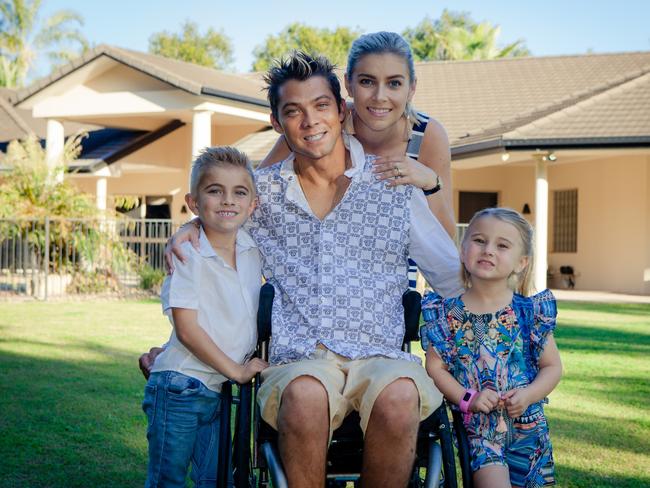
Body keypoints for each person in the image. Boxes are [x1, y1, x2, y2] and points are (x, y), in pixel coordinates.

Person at [164, 51, 463, 487]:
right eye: (294, 111)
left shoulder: (393, 185)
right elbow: (214, 243)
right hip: (299, 357)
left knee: (401, 395)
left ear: (341, 111)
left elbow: (451, 277)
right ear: (276, 123)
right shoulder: (259, 193)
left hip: (379, 354)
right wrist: (192, 225)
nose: (310, 121)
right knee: (305, 394)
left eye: (321, 106)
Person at [142, 146, 268, 487]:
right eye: (215, 191)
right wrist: (239, 371)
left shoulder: (252, 249)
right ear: (194, 203)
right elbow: (187, 329)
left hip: (217, 391)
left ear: (252, 205)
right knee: (166, 480)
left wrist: (234, 375)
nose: (228, 201)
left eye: (239, 193)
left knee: (215, 480)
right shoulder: (188, 254)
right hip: (181, 387)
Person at [260, 31, 455, 238]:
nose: (380, 97)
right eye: (367, 82)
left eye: (394, 83)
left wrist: (431, 184)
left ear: (412, 88)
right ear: (348, 84)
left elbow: (446, 238)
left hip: (402, 263)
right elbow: (254, 189)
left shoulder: (426, 135)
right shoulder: (326, 125)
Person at [421, 208, 562, 488]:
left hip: (529, 432)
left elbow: (552, 367)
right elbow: (435, 368)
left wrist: (529, 394)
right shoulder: (449, 315)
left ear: (521, 262)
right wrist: (467, 398)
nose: (488, 250)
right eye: (479, 241)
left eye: (502, 245)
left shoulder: (528, 313)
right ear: (463, 250)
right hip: (481, 433)